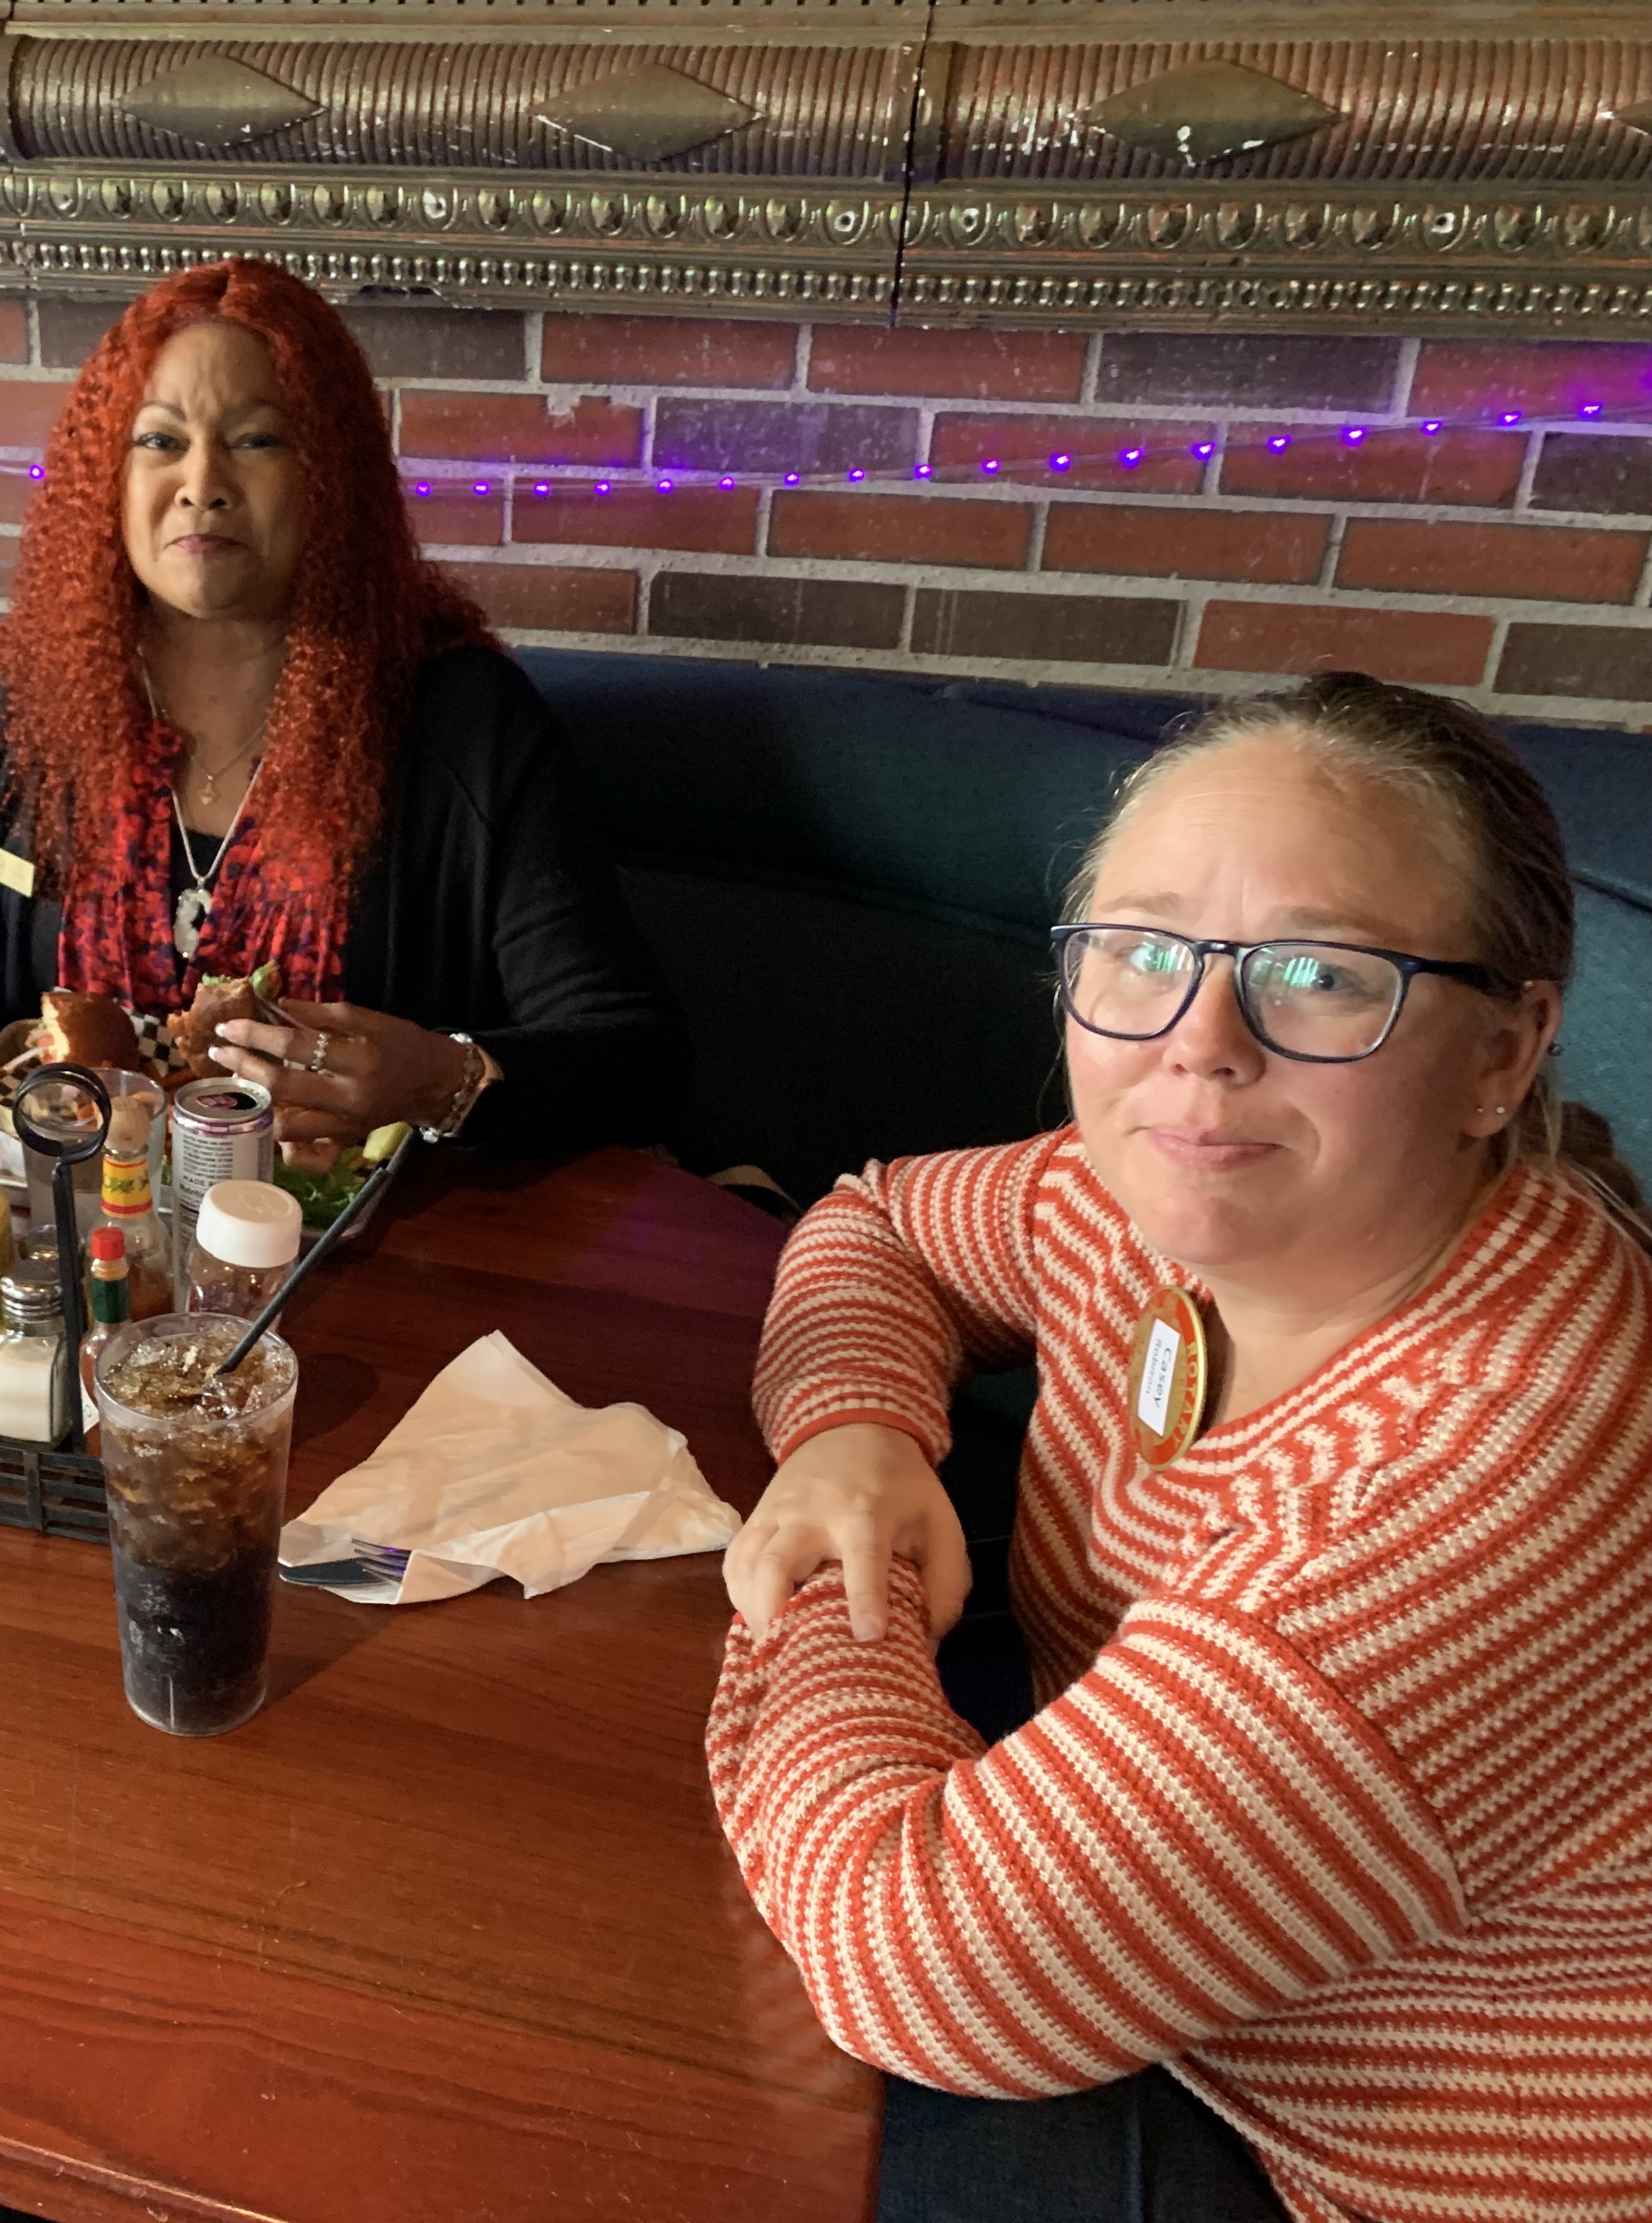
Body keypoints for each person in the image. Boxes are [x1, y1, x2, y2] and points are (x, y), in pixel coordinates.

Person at [708, 673, 1652, 2223]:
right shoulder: (1161, 1196)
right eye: (1143, 952)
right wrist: (853, 1435)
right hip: (1191, 2010)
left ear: (1503, 1053)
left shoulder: (1465, 1487)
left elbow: (911, 1961)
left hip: (1354, 2166)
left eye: (1322, 975)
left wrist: (829, 1577)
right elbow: (880, 1225)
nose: (1199, 1044)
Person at [0, 257, 681, 1152]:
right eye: (160, 440)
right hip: (79, 1235)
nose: (204, 482)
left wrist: (442, 1081)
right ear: (106, 478)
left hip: (362, 1258)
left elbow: (632, 1053)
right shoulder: (38, 703)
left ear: (333, 481)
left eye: (259, 441)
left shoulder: (462, 721)